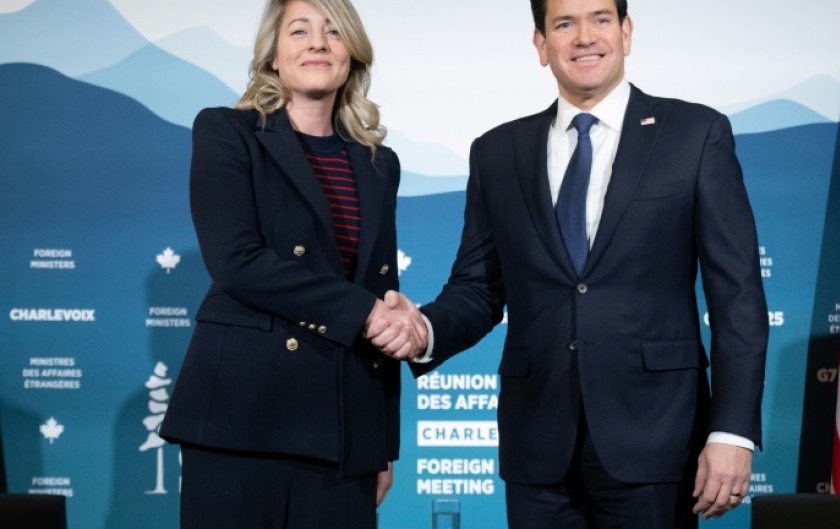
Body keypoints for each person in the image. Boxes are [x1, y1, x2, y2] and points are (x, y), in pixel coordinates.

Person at [369, 0, 768, 527]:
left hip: (658, 440)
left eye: (601, 19)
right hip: (538, 445)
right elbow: (479, 289)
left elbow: (737, 295)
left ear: (626, 33)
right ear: (541, 45)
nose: (584, 36)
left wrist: (732, 431)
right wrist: (423, 329)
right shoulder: (496, 152)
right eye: (564, 23)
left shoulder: (695, 135)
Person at [159, 1, 426, 527]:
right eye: (299, 30)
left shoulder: (379, 163)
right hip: (242, 418)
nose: (318, 42)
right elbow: (237, 262)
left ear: (352, 55)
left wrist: (381, 442)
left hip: (342, 429)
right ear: (273, 57)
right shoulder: (226, 132)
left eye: (334, 31)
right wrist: (367, 313)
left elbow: (383, 288)